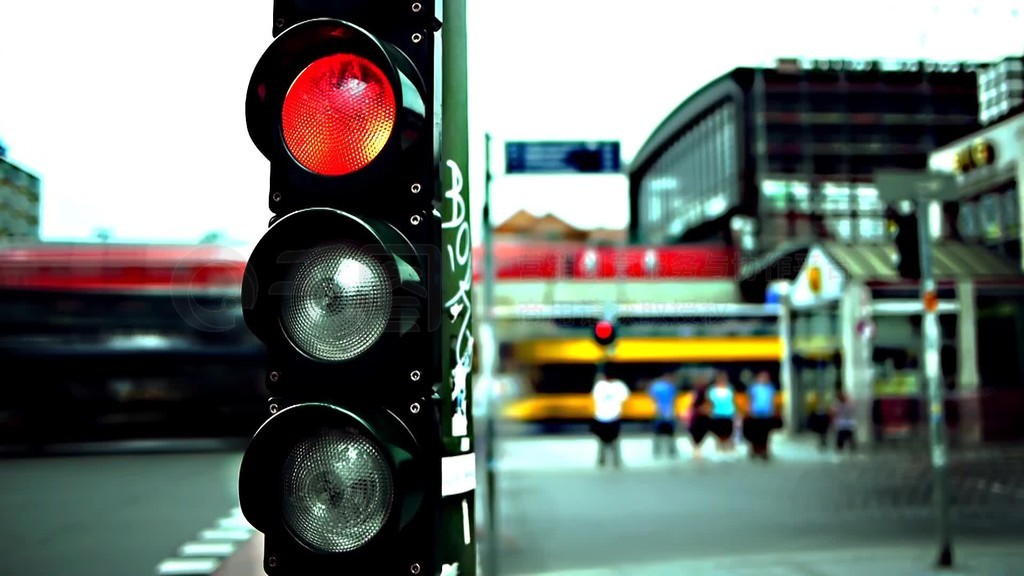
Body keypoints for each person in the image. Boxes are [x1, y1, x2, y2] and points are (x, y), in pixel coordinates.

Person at [591, 371, 630, 468]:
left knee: (602, 441)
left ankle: (601, 460)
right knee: (615, 440)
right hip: (614, 416)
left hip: (600, 417)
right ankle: (616, 461)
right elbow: (625, 397)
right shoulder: (619, 385)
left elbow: (595, 397)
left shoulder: (599, 385)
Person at [744, 371, 779, 460]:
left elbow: (772, 401)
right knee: (755, 433)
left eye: (766, 377)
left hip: (767, 415)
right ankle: (755, 450)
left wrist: (774, 410)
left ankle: (764, 450)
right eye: (762, 377)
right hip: (755, 414)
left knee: (765, 434)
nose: (764, 379)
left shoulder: (770, 388)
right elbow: (750, 400)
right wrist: (749, 410)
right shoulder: (754, 388)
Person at [648, 370, 679, 458]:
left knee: (657, 433)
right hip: (669, 412)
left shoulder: (655, 386)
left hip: (659, 411)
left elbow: (652, 398)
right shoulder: (670, 386)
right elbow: (673, 399)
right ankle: (672, 450)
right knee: (670, 433)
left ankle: (656, 451)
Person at [707, 371, 737, 453]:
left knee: (728, 432)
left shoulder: (730, 390)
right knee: (718, 432)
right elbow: (709, 402)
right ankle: (720, 447)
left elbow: (733, 401)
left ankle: (728, 447)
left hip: (728, 414)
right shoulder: (712, 390)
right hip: (716, 414)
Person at [687, 375, 711, 460]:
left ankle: (697, 450)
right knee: (695, 436)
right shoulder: (693, 395)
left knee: (699, 436)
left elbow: (708, 407)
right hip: (696, 420)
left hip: (702, 420)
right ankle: (696, 451)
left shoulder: (706, 396)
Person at [832, 389, 857, 455]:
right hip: (841, 424)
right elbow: (834, 413)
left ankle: (851, 446)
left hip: (848, 423)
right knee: (841, 437)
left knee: (849, 436)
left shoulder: (849, 404)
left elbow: (852, 410)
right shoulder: (837, 404)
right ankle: (840, 447)